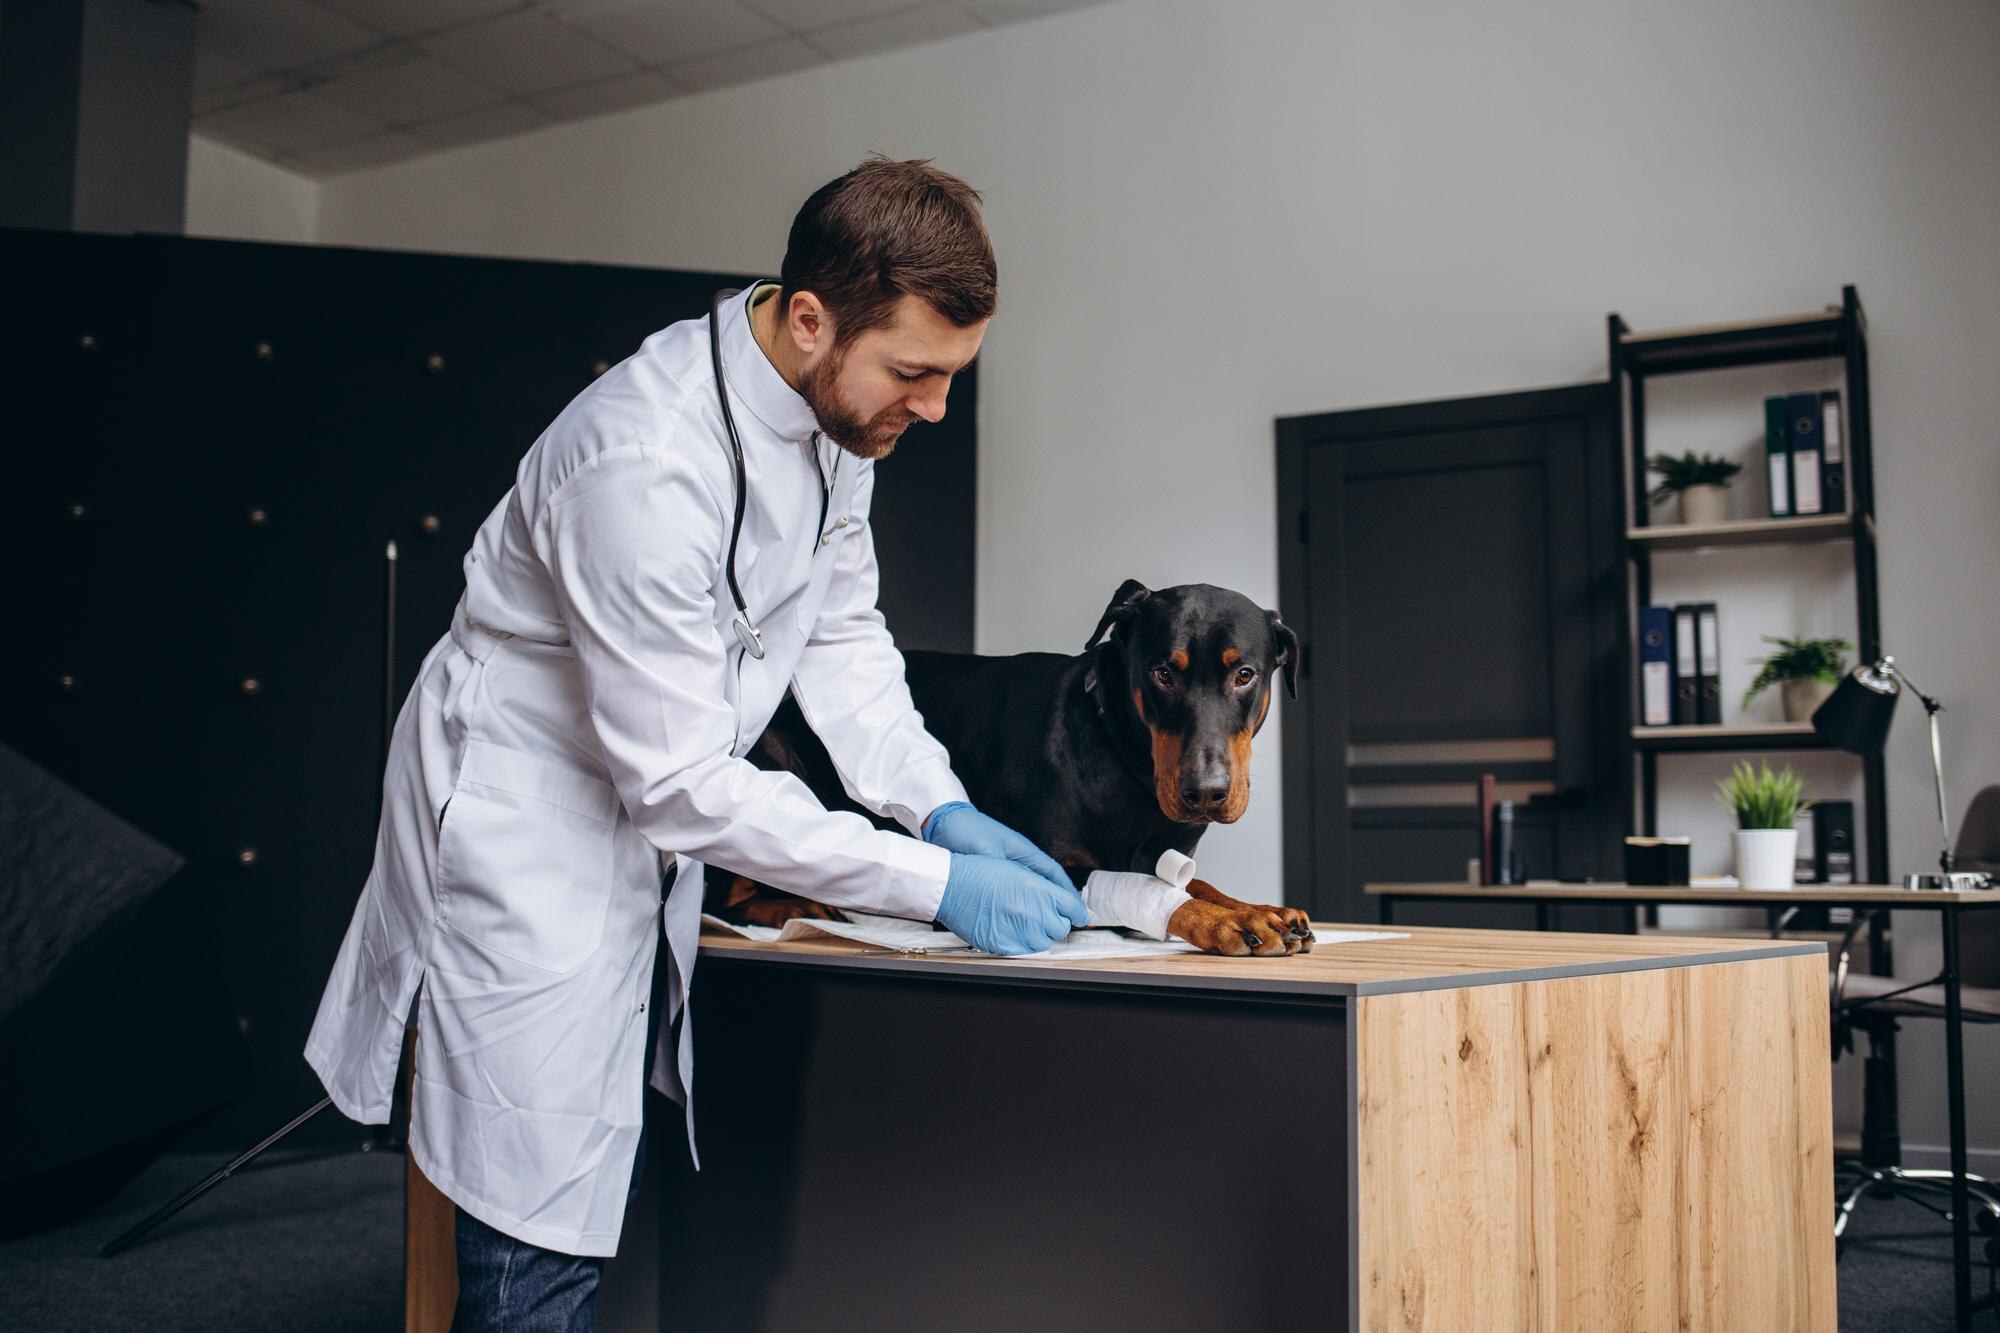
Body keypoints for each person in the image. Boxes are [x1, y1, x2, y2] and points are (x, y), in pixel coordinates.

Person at [304, 157, 1088, 1331]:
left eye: (950, 377)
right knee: (531, 1233)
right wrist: (933, 885)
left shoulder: (839, 424)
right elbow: (676, 781)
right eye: (915, 373)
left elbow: (840, 637)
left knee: (592, 1188)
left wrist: (936, 806)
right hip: (528, 830)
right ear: (813, 319)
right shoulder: (641, 460)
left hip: (640, 808)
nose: (932, 408)